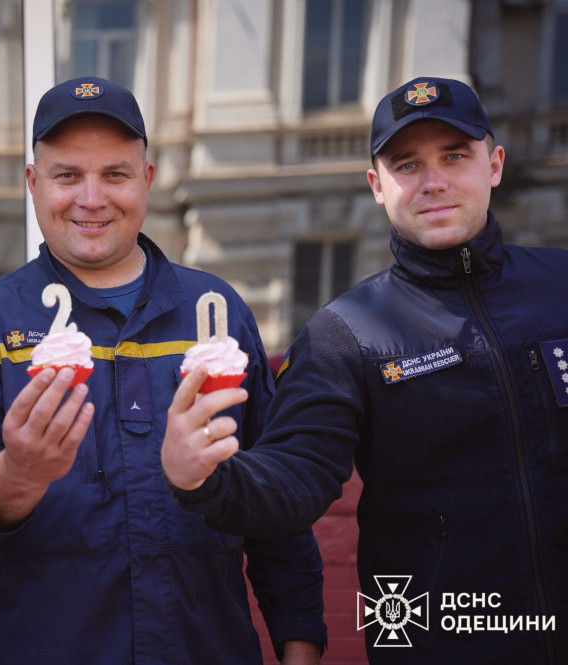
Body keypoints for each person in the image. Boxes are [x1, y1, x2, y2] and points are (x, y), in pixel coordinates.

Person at [0, 77, 326, 665]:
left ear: (147, 179)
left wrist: (301, 643)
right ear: (33, 184)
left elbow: (275, 500)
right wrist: (18, 474)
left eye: (115, 174)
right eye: (67, 176)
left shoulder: (216, 313)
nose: (92, 198)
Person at [162, 76, 568, 664]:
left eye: (455, 156)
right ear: (378, 186)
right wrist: (203, 477)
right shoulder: (344, 332)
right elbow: (294, 477)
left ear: (495, 165)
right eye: (408, 165)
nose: (433, 181)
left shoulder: (561, 286)